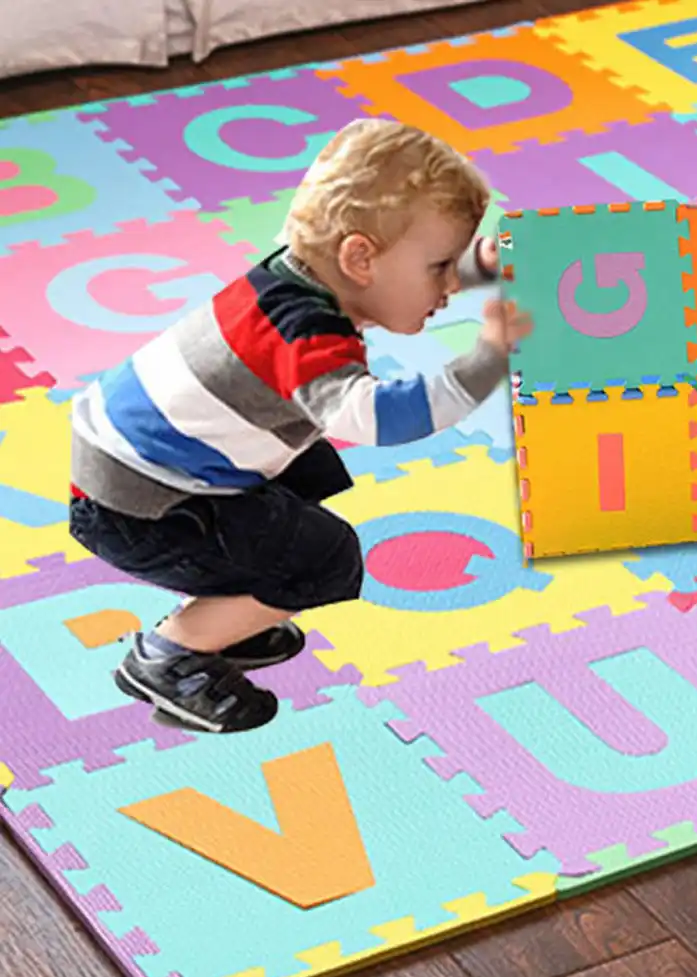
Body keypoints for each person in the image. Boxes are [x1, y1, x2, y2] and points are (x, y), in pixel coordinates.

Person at [67, 117, 532, 735]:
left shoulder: (297, 278)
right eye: (441, 267)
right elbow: (382, 418)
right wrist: (487, 359)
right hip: (141, 507)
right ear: (359, 257)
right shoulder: (306, 337)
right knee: (324, 559)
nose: (449, 287)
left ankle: (234, 613)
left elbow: (399, 273)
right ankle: (171, 655)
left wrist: (477, 264)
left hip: (136, 466)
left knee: (305, 475)